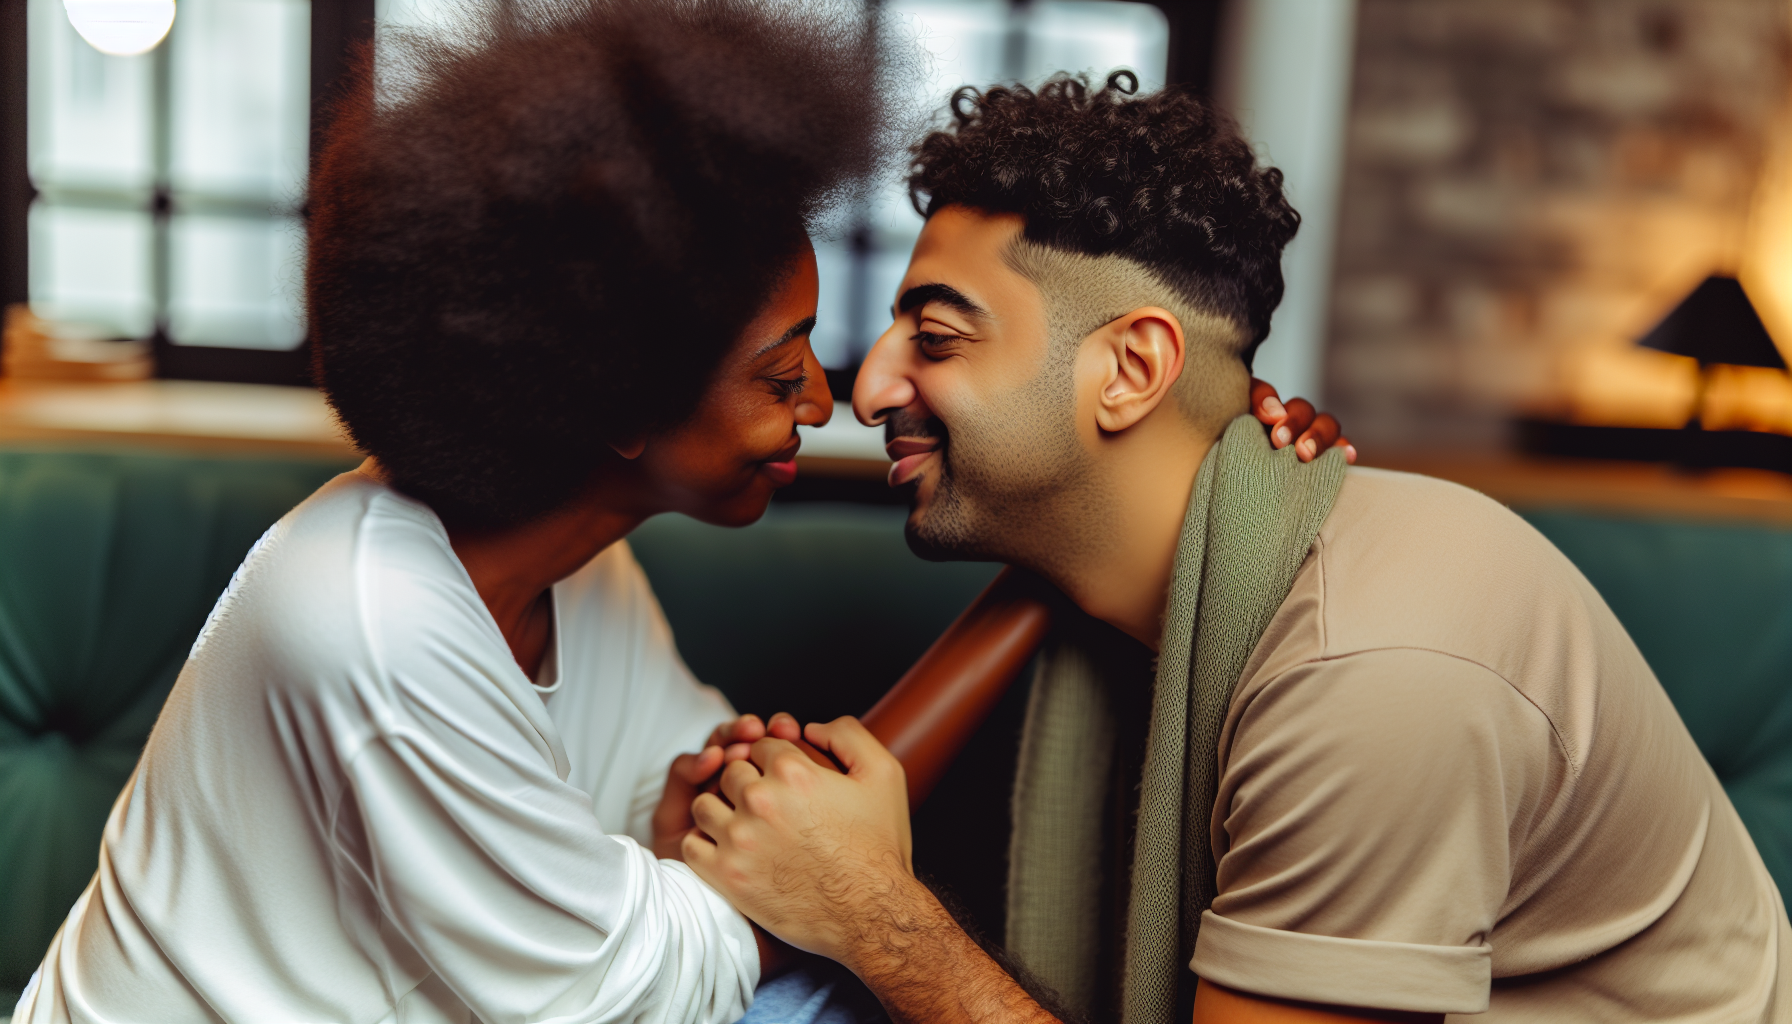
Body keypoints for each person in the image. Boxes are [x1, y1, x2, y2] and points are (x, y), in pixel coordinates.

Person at [10, 7, 1342, 1024]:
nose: (829, 403)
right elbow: (658, 977)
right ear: (620, 402)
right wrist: (1053, 561)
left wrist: (1106, 518)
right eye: (780, 374)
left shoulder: (574, 573)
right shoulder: (364, 619)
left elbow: (750, 843)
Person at [680, 75, 1792, 1024]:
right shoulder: (1158, 577)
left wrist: (876, 912)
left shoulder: (1373, 667)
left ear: (1129, 370)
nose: (866, 387)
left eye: (935, 337)